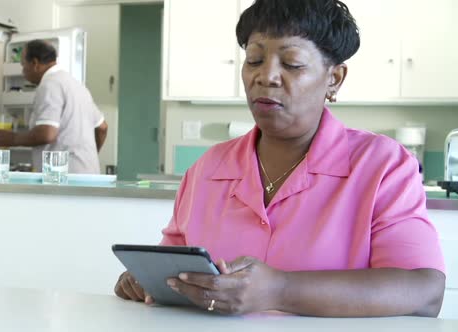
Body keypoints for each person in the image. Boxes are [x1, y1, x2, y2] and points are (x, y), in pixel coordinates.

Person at [114, 0, 445, 317]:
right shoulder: (207, 169)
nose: (266, 77)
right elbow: (173, 269)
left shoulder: (383, 166)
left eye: (292, 64)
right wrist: (148, 281)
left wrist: (280, 290)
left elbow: (424, 291)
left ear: (335, 78)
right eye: (255, 60)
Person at [0, 40, 108, 174]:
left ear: (35, 63)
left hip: (64, 178)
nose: (23, 72)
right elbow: (102, 127)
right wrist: (87, 157)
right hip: (89, 174)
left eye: (23, 65)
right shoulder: (76, 85)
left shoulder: (49, 84)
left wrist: (12, 139)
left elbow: (47, 134)